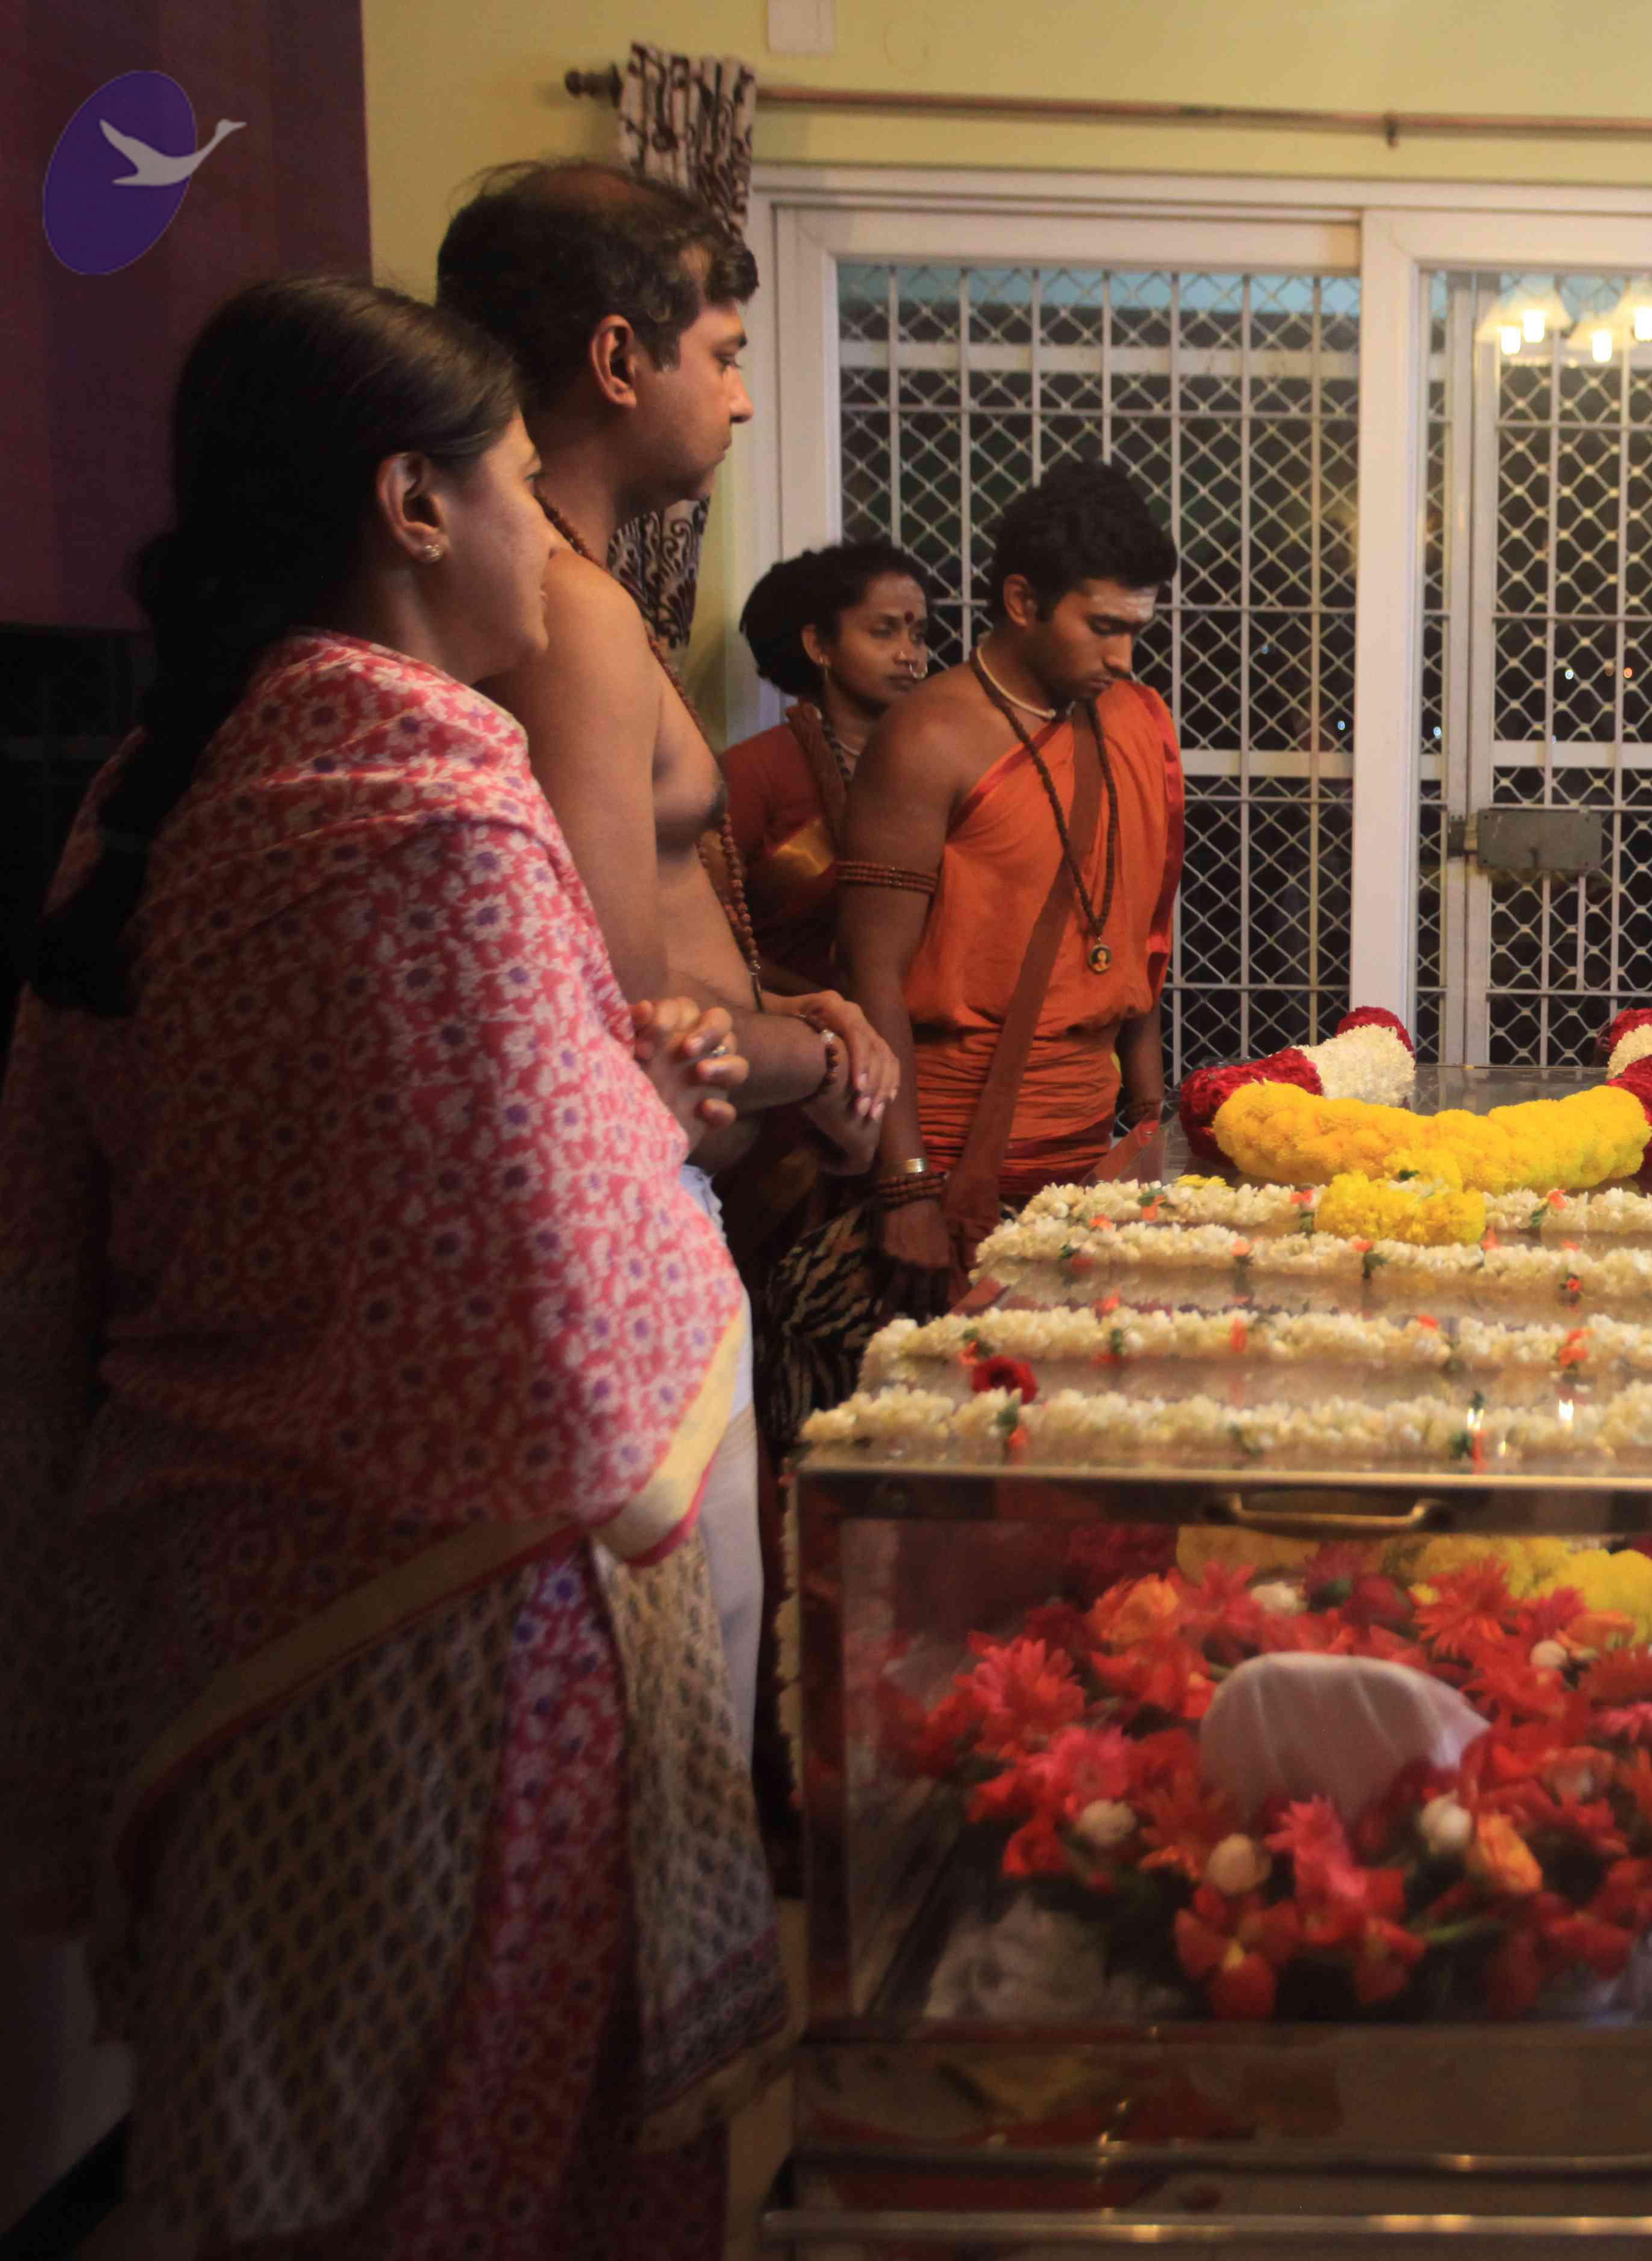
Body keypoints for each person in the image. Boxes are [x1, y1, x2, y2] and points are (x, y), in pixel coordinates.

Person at [0, 277, 786, 2256]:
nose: (546, 542)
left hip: (221, 1615)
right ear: (413, 509)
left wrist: (611, 1085)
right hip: (459, 1645)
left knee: (289, 2179)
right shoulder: (431, 786)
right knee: (487, 2175)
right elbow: (556, 1285)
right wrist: (660, 1120)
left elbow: (103, 1214)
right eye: (515, 483)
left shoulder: (151, 787)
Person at [438, 161, 893, 1759]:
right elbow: (615, 1018)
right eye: (725, 352)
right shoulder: (565, 613)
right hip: (628, 1230)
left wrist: (788, 1015)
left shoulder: (586, 597)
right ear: (620, 359)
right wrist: (819, 1058)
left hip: (674, 1210)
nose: (744, 399)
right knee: (676, 1717)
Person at [828, 460, 1185, 1319]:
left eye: (1136, 630)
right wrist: (906, 1185)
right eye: (1103, 627)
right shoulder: (929, 739)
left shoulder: (1137, 718)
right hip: (955, 1151)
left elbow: (1139, 942)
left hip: (1091, 1150)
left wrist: (1149, 1120)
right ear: (1023, 601)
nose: (1123, 657)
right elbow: (870, 972)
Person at [723, 537, 937, 993]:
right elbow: (707, 938)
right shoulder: (754, 773)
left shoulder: (938, 764)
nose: (910, 655)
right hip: (794, 1020)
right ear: (819, 645)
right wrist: (820, 1005)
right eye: (883, 632)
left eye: (918, 636)